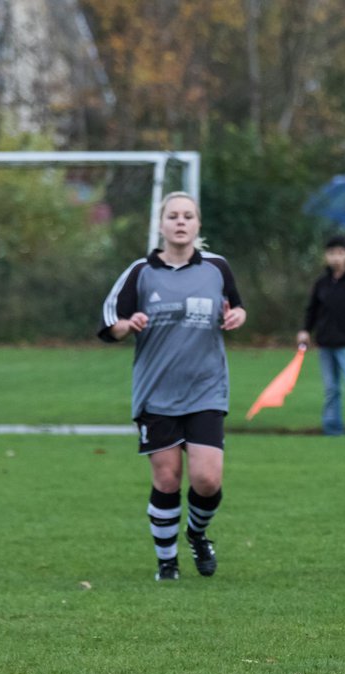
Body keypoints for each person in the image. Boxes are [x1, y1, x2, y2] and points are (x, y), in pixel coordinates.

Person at [98, 191, 247, 581]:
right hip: (156, 392)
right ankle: (167, 563)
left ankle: (197, 534)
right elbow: (110, 323)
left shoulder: (217, 267)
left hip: (206, 388)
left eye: (188, 216)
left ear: (198, 225)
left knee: (207, 479)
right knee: (167, 479)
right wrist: (127, 326)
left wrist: (238, 317)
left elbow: (236, 304)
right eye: (173, 216)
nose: (180, 222)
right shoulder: (140, 272)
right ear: (161, 225)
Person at [297, 235, 345, 438]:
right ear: (326, 256)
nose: (335, 258)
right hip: (325, 343)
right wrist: (305, 330)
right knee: (331, 389)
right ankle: (332, 429)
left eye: (340, 253)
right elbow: (312, 310)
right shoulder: (322, 283)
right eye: (331, 253)